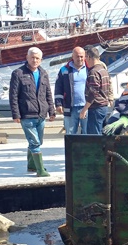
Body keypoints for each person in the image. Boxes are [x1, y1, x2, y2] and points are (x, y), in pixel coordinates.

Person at [9, 47, 56, 177]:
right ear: (27, 57)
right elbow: (13, 96)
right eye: (32, 57)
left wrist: (51, 111)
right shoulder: (18, 73)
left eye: (37, 58)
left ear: (41, 60)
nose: (34, 60)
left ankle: (31, 165)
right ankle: (40, 170)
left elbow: (48, 94)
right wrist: (16, 114)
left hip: (41, 114)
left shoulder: (43, 73)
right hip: (27, 114)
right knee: (35, 143)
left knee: (38, 141)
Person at [80, 47, 113, 134]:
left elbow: (93, 93)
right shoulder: (103, 70)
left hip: (96, 108)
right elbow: (109, 87)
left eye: (86, 57)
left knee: (94, 136)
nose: (85, 60)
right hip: (104, 107)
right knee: (103, 134)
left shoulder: (93, 72)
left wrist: (84, 110)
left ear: (90, 57)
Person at [55, 47, 88, 134]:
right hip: (70, 107)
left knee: (88, 134)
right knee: (70, 134)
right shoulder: (64, 70)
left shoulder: (89, 69)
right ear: (72, 56)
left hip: (87, 107)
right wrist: (58, 103)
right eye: (77, 56)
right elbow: (58, 88)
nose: (79, 59)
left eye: (81, 56)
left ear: (85, 56)